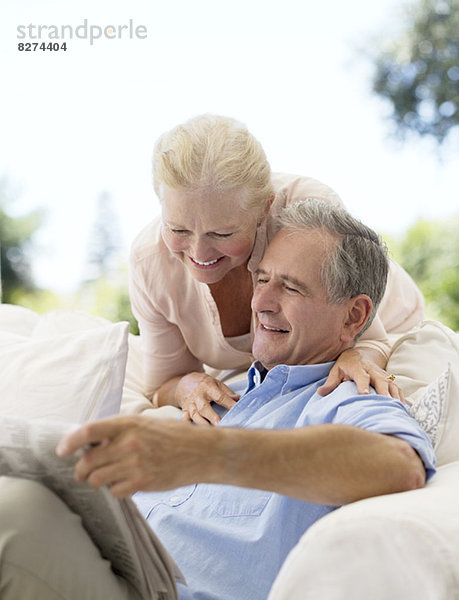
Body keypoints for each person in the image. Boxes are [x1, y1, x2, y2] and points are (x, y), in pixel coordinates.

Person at [0, 199, 435, 600]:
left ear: (353, 316)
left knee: (17, 513)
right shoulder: (227, 394)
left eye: (291, 288)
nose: (261, 302)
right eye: (262, 279)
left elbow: (398, 466)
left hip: (161, 592)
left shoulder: (343, 397)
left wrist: (206, 453)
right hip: (108, 559)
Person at [130, 114, 425, 424]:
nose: (199, 253)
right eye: (178, 229)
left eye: (223, 234)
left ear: (264, 210)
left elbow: (368, 339)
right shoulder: (150, 261)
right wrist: (188, 385)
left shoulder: (310, 210)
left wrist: (356, 355)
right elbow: (164, 384)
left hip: (387, 329)